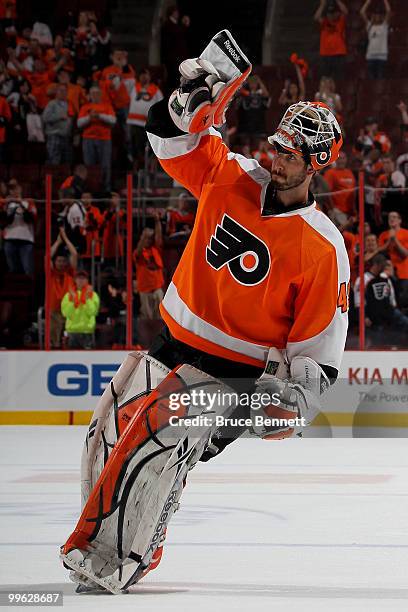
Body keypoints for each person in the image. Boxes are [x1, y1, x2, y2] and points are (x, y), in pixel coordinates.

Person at [78, 86, 116, 191]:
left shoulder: (107, 106)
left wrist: (99, 116)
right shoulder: (85, 107)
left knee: (105, 166)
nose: (95, 96)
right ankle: (90, 189)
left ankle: (105, 189)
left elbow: (113, 120)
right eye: (93, 93)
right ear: (90, 95)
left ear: (100, 94)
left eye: (97, 93)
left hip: (104, 139)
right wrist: (90, 117)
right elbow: (79, 123)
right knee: (89, 166)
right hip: (88, 139)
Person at [1, 178, 37, 276]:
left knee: (28, 270)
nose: (14, 191)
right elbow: (4, 222)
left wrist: (21, 203)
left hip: (26, 240)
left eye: (16, 188)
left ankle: (29, 290)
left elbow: (31, 219)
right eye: (11, 189)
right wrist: (7, 207)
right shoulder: (5, 203)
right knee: (12, 270)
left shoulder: (29, 202)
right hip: (9, 239)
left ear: (21, 189)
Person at [49, 227, 78, 348]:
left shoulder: (70, 273)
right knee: (54, 338)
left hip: (69, 310)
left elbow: (74, 254)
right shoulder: (51, 273)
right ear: (55, 263)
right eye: (58, 261)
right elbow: (48, 256)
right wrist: (58, 241)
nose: (61, 263)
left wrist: (65, 238)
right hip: (54, 309)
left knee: (67, 338)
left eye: (63, 261)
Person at [133, 210, 164, 319]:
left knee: (161, 317)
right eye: (146, 238)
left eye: (149, 238)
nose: (148, 240)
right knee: (147, 317)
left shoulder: (155, 249)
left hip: (157, 288)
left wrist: (157, 221)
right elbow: (138, 251)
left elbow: (158, 238)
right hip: (144, 289)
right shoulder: (139, 252)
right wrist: (144, 236)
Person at [127, 68, 163, 163]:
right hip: (134, 123)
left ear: (149, 76)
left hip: (148, 124)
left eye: (146, 74)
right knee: (135, 147)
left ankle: (147, 164)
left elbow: (161, 105)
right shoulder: (134, 87)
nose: (144, 76)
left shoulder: (155, 89)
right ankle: (135, 163)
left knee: (148, 148)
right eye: (142, 74)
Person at [61, 269, 100, 349]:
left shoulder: (93, 295)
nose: (81, 280)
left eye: (83, 278)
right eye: (79, 278)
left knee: (88, 358)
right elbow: (65, 313)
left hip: (87, 332)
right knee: (71, 359)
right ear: (75, 280)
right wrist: (74, 301)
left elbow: (93, 312)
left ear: (87, 280)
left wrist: (86, 300)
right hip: (72, 332)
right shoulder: (68, 295)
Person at [378, 211, 408, 307]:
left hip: (403, 273)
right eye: (390, 217)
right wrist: (389, 241)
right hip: (387, 273)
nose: (392, 219)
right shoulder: (383, 235)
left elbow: (405, 253)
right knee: (390, 301)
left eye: (394, 217)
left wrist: (394, 239)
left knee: (403, 301)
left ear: (400, 220)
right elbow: (380, 252)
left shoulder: (406, 233)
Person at [314, 0, 348, 78]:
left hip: (339, 54)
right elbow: (316, 17)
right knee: (324, 78)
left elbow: (345, 11)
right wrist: (322, 5)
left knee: (339, 78)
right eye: (329, 13)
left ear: (338, 13)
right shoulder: (324, 22)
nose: (332, 15)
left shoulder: (340, 21)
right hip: (325, 54)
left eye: (334, 13)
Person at [42, 83, 73, 164]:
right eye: (61, 90)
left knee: (66, 163)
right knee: (53, 162)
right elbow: (45, 118)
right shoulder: (52, 104)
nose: (63, 92)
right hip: (54, 136)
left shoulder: (69, 104)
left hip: (66, 137)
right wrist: (59, 116)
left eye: (65, 91)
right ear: (56, 92)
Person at [360, 0, 391, 80]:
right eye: (375, 14)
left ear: (381, 16)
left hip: (381, 57)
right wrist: (368, 1)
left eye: (379, 15)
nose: (377, 16)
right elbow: (362, 12)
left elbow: (389, 11)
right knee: (371, 82)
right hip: (370, 57)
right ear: (373, 15)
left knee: (380, 80)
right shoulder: (369, 26)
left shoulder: (384, 26)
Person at [324, 150, 356, 225]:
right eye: (339, 158)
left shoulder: (349, 172)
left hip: (350, 212)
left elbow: (353, 192)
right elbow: (326, 193)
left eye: (343, 158)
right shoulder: (330, 173)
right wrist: (332, 209)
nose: (342, 161)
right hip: (338, 211)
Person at [237, 74, 271, 142]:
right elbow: (238, 90)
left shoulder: (260, 94)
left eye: (255, 83)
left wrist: (259, 81)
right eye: (251, 83)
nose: (253, 84)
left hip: (259, 126)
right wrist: (245, 81)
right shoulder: (244, 93)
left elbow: (266, 95)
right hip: (246, 125)